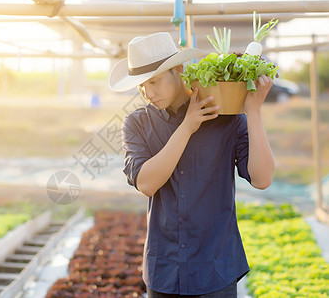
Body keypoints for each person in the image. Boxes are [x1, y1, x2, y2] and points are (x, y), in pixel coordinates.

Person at [108, 32, 275, 297]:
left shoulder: (225, 117)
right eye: (141, 86)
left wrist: (253, 111)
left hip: (216, 271)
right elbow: (147, 183)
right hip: (164, 272)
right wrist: (187, 127)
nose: (148, 93)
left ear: (178, 70)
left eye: (154, 81)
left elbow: (262, 179)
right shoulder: (137, 123)